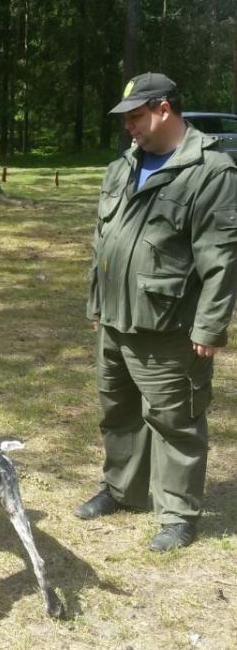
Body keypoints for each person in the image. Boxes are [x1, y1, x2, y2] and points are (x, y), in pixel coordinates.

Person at [76, 72, 237, 550]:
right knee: (118, 410)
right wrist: (97, 299)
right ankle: (122, 489)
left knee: (174, 420)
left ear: (164, 109)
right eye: (126, 118)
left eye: (136, 116)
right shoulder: (122, 166)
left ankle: (178, 514)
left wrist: (210, 326)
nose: (129, 126)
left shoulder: (211, 171)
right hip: (115, 318)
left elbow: (221, 257)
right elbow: (103, 240)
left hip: (169, 324)